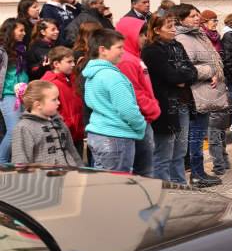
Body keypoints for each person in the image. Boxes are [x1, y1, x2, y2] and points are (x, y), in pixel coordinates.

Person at [172, 4, 227, 188]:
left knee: (199, 133)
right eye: (192, 16)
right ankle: (196, 174)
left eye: (197, 15)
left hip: (204, 92)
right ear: (181, 20)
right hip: (195, 95)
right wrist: (210, 70)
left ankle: (199, 172)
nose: (197, 18)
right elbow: (185, 68)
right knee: (195, 136)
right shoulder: (183, 39)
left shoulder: (198, 34)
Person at [141, 13, 196, 183]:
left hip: (183, 102)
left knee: (180, 152)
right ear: (157, 30)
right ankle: (163, 192)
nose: (173, 30)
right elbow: (171, 76)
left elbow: (192, 71)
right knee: (164, 154)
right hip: (165, 107)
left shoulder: (177, 45)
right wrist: (180, 77)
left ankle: (180, 187)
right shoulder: (152, 50)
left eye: (174, 25)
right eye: (169, 27)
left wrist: (182, 77)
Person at [82, 29, 146, 173]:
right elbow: (127, 110)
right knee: (116, 188)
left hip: (99, 135)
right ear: (103, 50)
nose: (123, 51)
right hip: (116, 138)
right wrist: (141, 125)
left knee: (102, 185)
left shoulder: (93, 74)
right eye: (119, 47)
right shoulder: (112, 77)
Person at [116, 16, 161, 177]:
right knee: (143, 172)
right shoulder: (126, 61)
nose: (145, 38)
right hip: (139, 119)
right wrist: (152, 108)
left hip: (143, 118)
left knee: (145, 170)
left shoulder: (134, 57)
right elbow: (134, 91)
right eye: (141, 35)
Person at [10, 80, 83, 166]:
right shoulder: (24, 127)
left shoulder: (59, 122)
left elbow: (71, 150)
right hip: (44, 178)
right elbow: (20, 160)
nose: (58, 103)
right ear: (38, 105)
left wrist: (80, 170)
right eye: (54, 100)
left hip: (69, 175)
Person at [41, 46, 83, 149]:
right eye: (69, 62)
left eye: (73, 61)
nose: (73, 64)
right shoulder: (51, 83)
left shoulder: (72, 79)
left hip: (76, 134)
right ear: (56, 64)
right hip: (62, 135)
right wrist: (67, 125)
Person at [0, 18, 29, 162]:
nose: (24, 33)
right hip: (8, 94)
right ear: (11, 31)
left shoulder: (21, 49)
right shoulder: (1, 51)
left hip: (23, 93)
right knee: (14, 130)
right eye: (21, 30)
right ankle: (2, 160)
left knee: (23, 130)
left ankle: (15, 161)